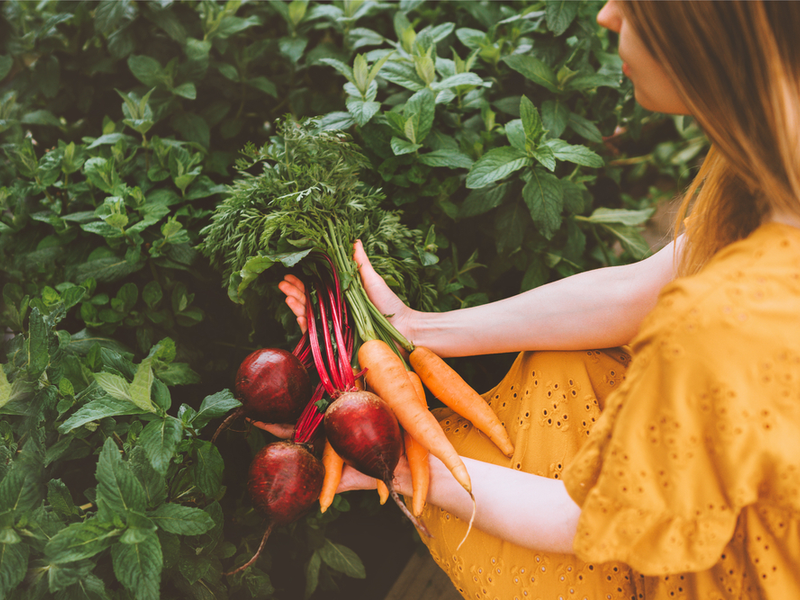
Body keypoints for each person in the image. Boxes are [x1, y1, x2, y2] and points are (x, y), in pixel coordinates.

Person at [275, 1, 800, 598]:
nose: (606, 15)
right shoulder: (773, 162)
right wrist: (418, 327)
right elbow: (643, 290)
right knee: (559, 369)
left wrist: (402, 464)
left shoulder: (726, 319)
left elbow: (579, 518)